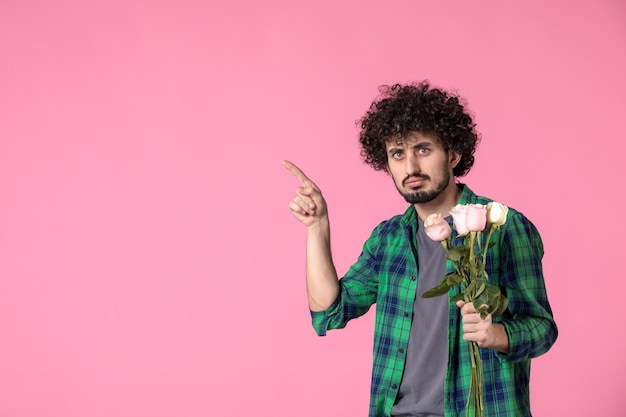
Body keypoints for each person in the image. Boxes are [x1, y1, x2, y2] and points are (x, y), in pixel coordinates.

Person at [283, 81, 557, 417]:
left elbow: (542, 328)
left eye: (423, 150)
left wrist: (498, 334)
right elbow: (331, 310)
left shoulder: (502, 226)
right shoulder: (388, 239)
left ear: (453, 155)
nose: (410, 167)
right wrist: (317, 228)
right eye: (398, 154)